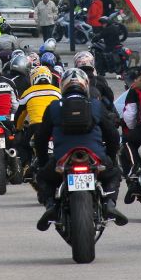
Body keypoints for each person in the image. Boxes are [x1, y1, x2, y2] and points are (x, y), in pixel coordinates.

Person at [34, 68, 128, 230]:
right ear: (85, 86)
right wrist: (111, 157)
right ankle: (109, 204)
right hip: (94, 156)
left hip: (62, 159)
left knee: (43, 177)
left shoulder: (54, 107)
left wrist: (43, 162)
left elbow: (40, 138)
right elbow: (112, 135)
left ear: (63, 86)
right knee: (114, 173)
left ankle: (51, 206)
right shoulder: (96, 105)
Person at [15, 66, 61, 166]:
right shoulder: (57, 91)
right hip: (55, 126)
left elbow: (20, 114)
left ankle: (26, 165)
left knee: (24, 145)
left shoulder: (28, 92)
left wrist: (18, 128)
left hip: (36, 126)